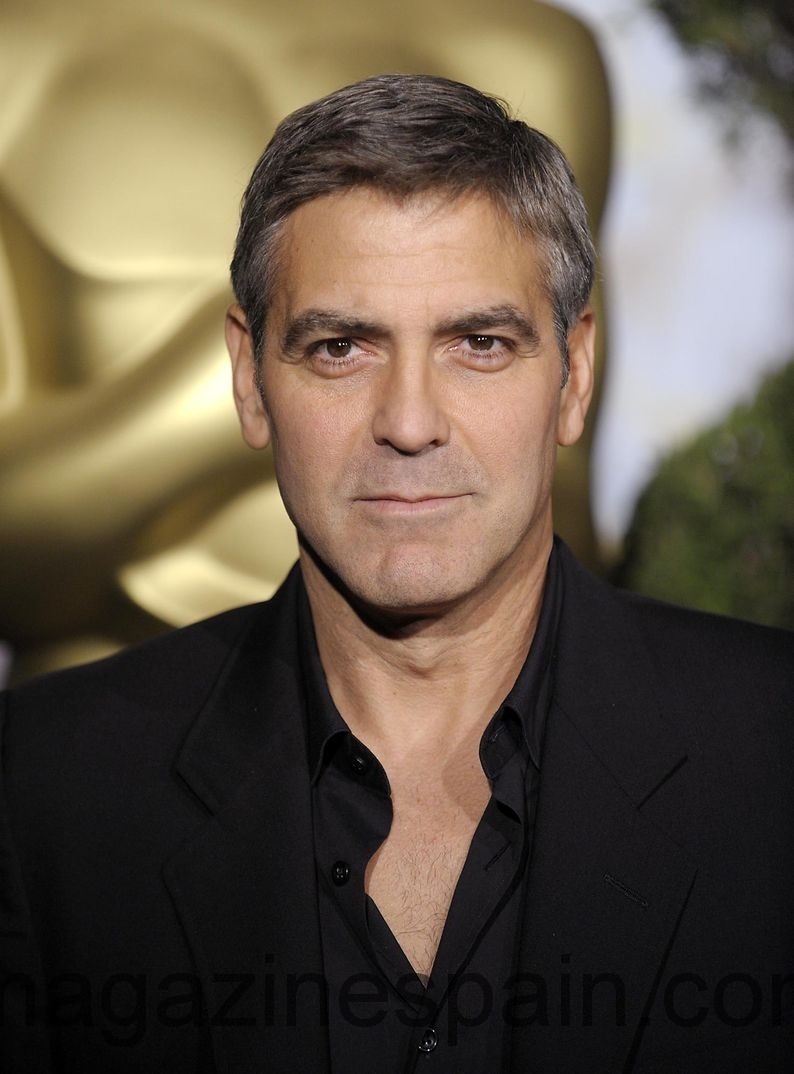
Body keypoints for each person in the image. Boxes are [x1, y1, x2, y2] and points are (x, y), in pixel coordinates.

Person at [0, 74, 791, 1074]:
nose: (409, 424)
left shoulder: (773, 759)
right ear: (250, 380)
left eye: (479, 344)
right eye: (340, 348)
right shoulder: (42, 794)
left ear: (574, 374)